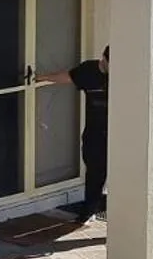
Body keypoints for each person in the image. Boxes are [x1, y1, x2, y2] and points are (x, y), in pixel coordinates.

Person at [37, 46, 108, 221]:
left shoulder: (123, 73)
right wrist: (43, 77)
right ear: (104, 59)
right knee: (94, 170)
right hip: (95, 131)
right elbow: (68, 77)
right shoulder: (88, 70)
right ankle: (89, 208)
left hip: (118, 131)